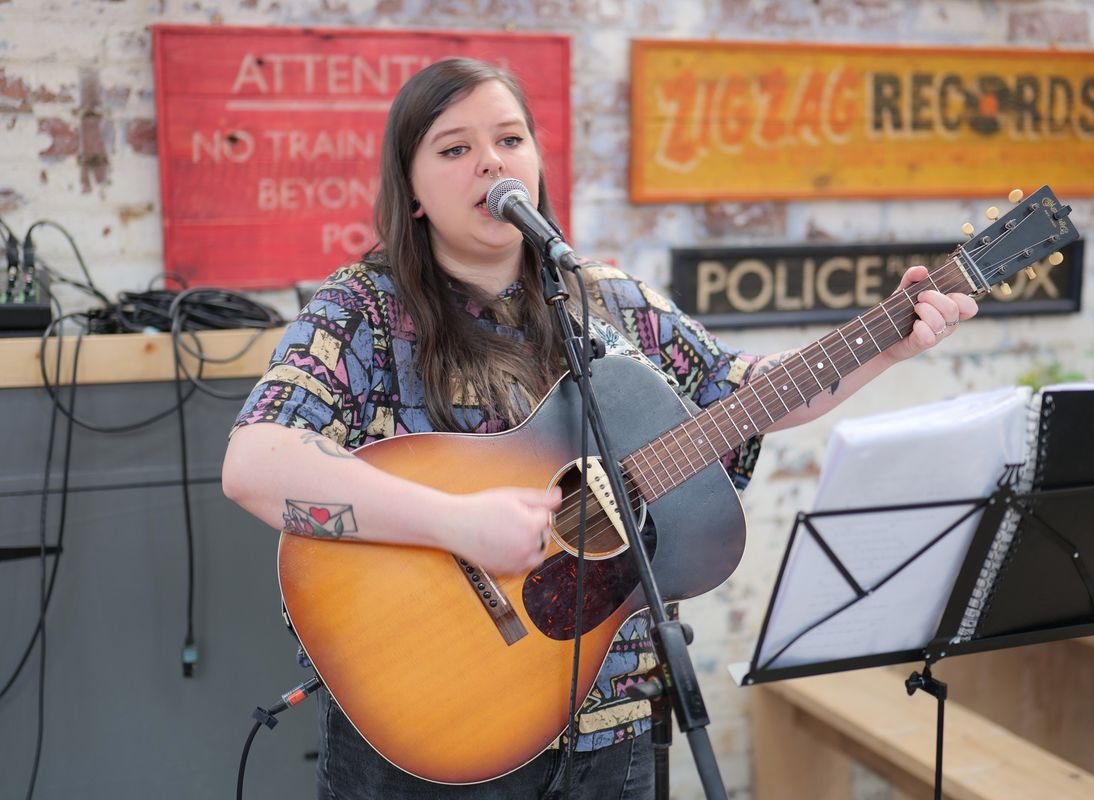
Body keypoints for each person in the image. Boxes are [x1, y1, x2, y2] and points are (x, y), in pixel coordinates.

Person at [221, 56, 978, 800]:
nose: (490, 162)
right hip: (432, 727)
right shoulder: (364, 310)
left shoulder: (608, 301)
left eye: (510, 140)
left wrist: (889, 340)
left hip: (612, 729)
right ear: (412, 190)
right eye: (456, 149)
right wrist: (459, 523)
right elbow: (257, 463)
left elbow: (736, 393)